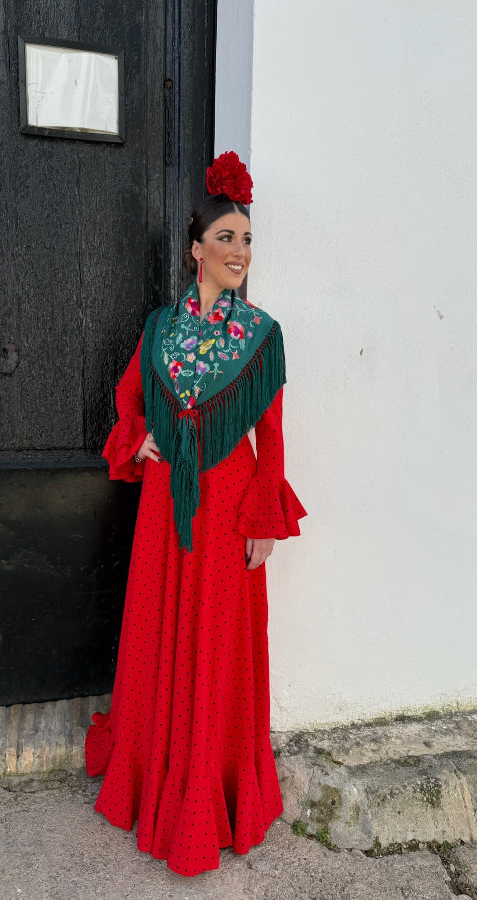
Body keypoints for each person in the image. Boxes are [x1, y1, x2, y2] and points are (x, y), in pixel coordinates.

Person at [85, 151, 306, 877]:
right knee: (158, 628)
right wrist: (138, 439)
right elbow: (127, 399)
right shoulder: (159, 329)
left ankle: (212, 793)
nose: (239, 252)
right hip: (164, 505)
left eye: (247, 240)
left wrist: (264, 520)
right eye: (226, 238)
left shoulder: (261, 335)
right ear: (196, 249)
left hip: (228, 505)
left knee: (217, 640)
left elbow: (271, 434)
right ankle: (151, 776)